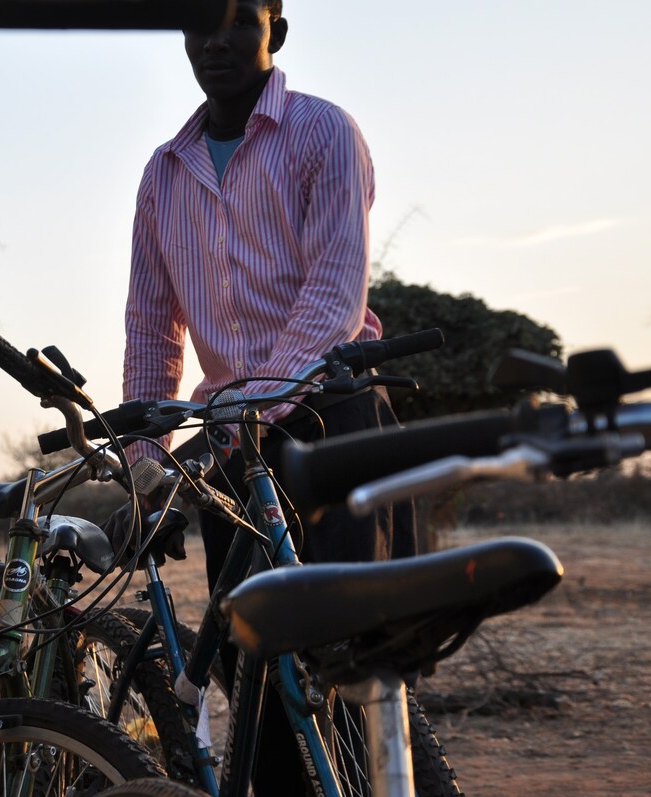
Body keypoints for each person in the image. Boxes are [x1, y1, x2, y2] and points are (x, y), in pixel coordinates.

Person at [113, 1, 414, 791]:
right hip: (230, 451)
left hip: (332, 419)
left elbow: (332, 295)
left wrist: (244, 411)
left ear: (276, 28)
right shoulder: (163, 173)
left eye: (240, 21)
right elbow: (152, 327)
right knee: (262, 685)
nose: (218, 41)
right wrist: (145, 462)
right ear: (180, 36)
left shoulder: (324, 133)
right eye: (199, 24)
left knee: (352, 672)